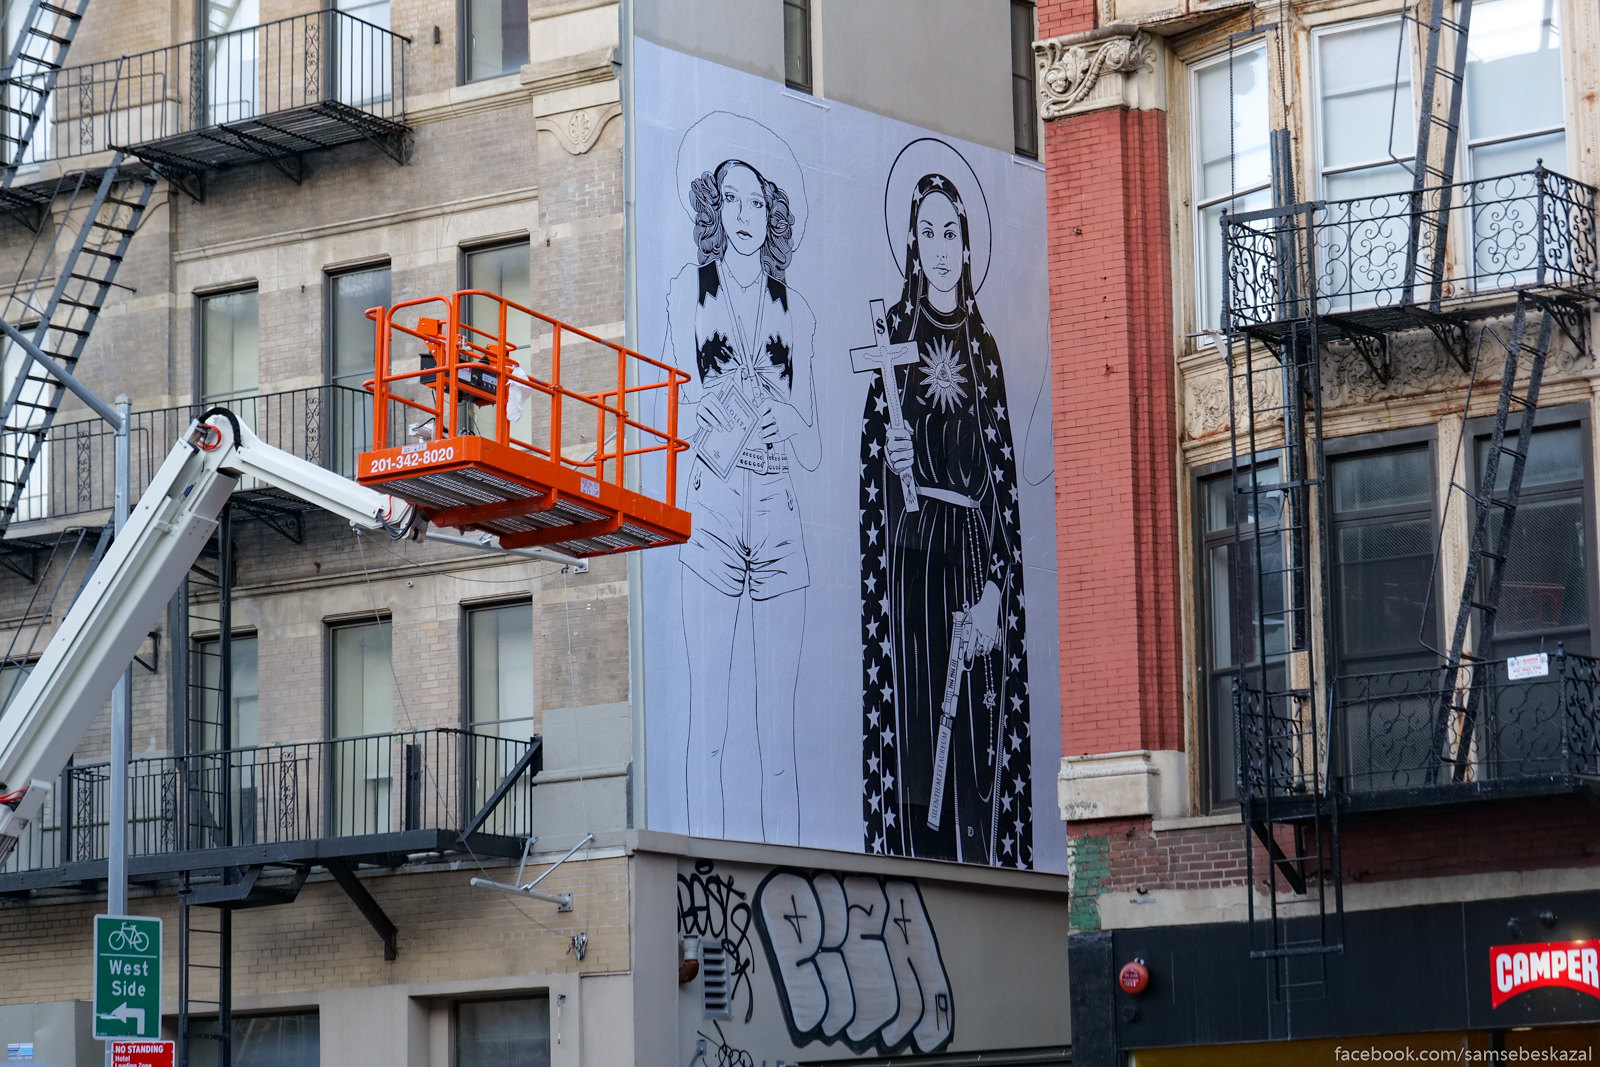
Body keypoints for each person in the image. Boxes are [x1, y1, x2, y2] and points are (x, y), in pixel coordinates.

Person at [860, 140, 1032, 866]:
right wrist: (890, 462)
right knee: (918, 712)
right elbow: (871, 466)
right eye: (926, 232)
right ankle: (917, 843)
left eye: (950, 232)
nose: (938, 247)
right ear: (911, 242)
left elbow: (997, 473)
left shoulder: (986, 348)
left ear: (966, 248)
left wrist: (996, 584)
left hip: (967, 550)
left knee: (972, 731)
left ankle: (975, 850)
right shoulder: (892, 337)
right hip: (908, 562)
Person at [663, 113, 819, 845]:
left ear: (772, 214)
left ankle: (784, 872)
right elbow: (672, 406)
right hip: (716, 506)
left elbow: (815, 444)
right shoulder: (684, 296)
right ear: (712, 212)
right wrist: (723, 412)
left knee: (780, 734)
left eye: (758, 202)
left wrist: (777, 409)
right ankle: (698, 861)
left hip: (781, 509)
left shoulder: (799, 312)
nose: (746, 215)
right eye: (732, 200)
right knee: (709, 717)